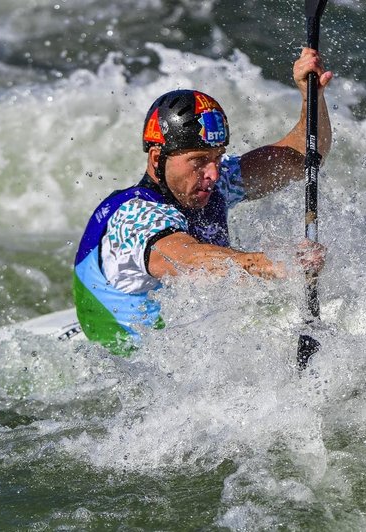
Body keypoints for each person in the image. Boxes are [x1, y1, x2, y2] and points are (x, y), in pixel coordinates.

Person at [73, 48, 333, 352]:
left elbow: (302, 157)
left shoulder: (213, 182)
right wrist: (271, 263)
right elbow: (189, 259)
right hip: (126, 368)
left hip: (178, 343)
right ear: (158, 158)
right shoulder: (135, 217)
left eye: (217, 157)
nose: (213, 172)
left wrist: (310, 96)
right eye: (198, 160)